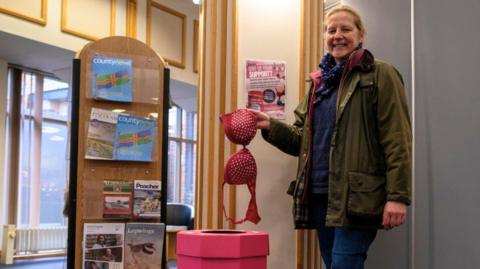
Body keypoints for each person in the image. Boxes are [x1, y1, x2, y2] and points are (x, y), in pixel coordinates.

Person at [253, 4, 411, 269]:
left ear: (361, 35)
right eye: (331, 30)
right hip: (319, 195)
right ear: (325, 37)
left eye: (346, 29)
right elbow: (300, 141)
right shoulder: (319, 83)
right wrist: (270, 125)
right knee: (332, 264)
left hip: (356, 197)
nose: (338, 35)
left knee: (343, 264)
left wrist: (398, 196)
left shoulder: (380, 74)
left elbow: (397, 138)